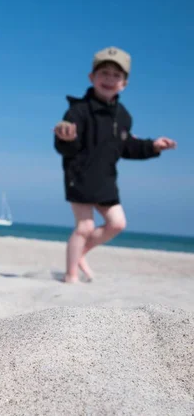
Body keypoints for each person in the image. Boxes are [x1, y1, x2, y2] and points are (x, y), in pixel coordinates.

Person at [53, 46, 177, 283]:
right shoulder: (77, 111)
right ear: (92, 78)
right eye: (104, 73)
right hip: (78, 176)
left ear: (124, 84)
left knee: (117, 224)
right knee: (85, 227)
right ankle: (70, 276)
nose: (109, 79)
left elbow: (127, 146)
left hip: (106, 180)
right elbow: (65, 146)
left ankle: (81, 254)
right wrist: (64, 137)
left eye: (116, 75)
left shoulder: (124, 116)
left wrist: (153, 146)